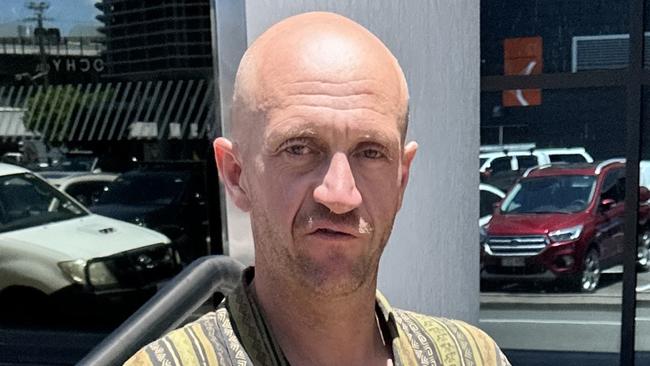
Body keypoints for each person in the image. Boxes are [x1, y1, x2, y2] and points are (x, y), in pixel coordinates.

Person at [125, 11, 510, 366]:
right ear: (235, 175)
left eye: (370, 152)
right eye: (299, 149)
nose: (340, 195)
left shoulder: (473, 356)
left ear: (401, 179)